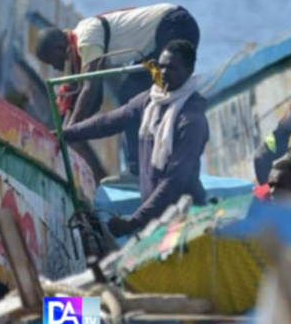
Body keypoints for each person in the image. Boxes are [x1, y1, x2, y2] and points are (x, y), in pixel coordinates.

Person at [62, 40, 208, 237]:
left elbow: (174, 181)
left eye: (171, 68)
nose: (163, 73)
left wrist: (134, 221)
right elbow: (107, 122)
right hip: (156, 219)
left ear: (189, 72)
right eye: (161, 66)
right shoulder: (150, 100)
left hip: (185, 220)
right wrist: (64, 134)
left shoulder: (191, 121)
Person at [36, 4, 200, 177]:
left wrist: (67, 134)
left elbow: (90, 88)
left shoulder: (86, 38)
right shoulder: (79, 45)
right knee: (133, 94)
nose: (55, 67)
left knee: (136, 93)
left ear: (60, 48)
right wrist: (62, 134)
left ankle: (142, 170)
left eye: (52, 61)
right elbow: (89, 101)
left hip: (176, 26)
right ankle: (146, 167)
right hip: (162, 37)